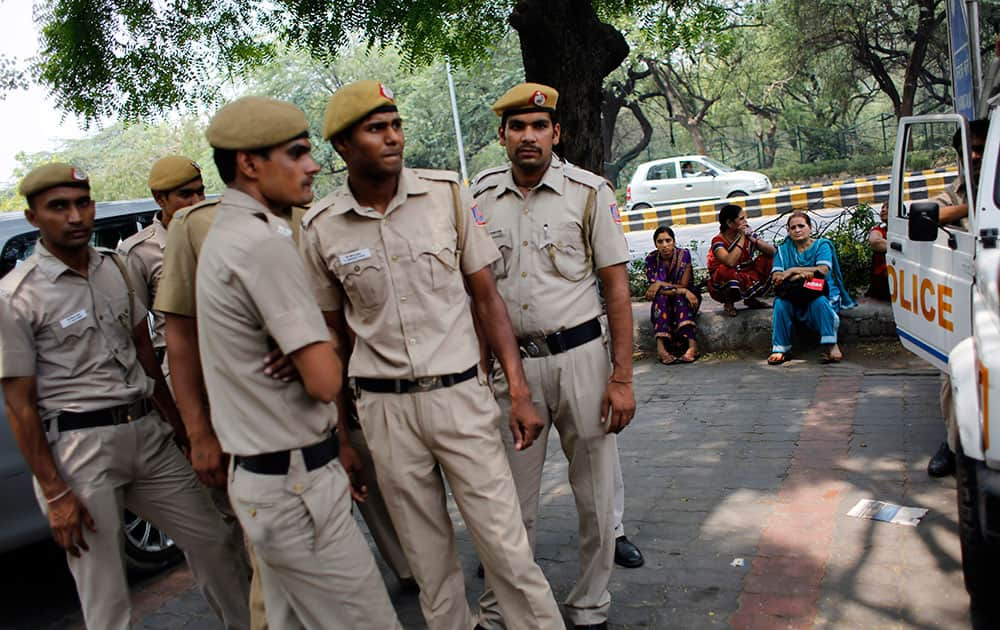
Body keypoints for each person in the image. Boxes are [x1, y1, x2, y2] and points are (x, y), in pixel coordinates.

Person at [299, 80, 562, 630]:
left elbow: (487, 298)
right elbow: (332, 337)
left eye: (395, 125)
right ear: (344, 147)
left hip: (461, 398)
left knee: (508, 550)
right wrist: (341, 438)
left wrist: (517, 390)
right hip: (384, 412)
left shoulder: (446, 195)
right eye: (376, 129)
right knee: (431, 567)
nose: (393, 137)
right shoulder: (321, 227)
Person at [0, 163, 251, 630]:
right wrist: (55, 493)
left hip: (149, 435)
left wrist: (182, 432)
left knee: (214, 540)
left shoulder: (114, 267)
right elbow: (19, 404)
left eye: (82, 203)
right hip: (81, 451)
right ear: (34, 217)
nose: (75, 216)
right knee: (105, 589)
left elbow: (145, 355)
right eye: (59, 207)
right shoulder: (17, 296)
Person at [193, 96, 401, 628]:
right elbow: (325, 381)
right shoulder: (262, 244)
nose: (312, 166)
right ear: (249, 163)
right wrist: (321, 347)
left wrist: (305, 348)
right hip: (296, 486)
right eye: (297, 153)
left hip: (268, 480)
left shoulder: (228, 233)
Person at [473, 82, 636, 630]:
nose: (529, 136)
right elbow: (476, 296)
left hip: (582, 361)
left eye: (539, 126)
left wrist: (622, 377)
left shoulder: (590, 193)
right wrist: (481, 371)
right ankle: (506, 607)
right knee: (509, 503)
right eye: (517, 127)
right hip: (511, 370)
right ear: (502, 135)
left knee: (594, 496)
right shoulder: (478, 198)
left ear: (556, 133)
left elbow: (616, 290)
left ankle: (590, 604)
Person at [927, 118, 990, 478]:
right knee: (955, 369)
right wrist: (973, 207)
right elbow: (929, 215)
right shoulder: (955, 194)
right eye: (972, 149)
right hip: (968, 298)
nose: (977, 155)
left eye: (983, 147)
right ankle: (953, 444)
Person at [118, 156, 205, 358]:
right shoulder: (139, 252)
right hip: (179, 360)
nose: (197, 201)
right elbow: (134, 331)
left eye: (200, 192)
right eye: (186, 194)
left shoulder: (217, 234)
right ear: (159, 198)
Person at [767, 211, 856, 365]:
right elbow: (777, 277)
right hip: (793, 293)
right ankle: (780, 349)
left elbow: (822, 270)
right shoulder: (783, 250)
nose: (797, 230)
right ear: (788, 231)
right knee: (781, 304)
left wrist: (790, 272)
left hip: (818, 290)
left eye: (801, 226)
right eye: (792, 227)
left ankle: (831, 345)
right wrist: (800, 273)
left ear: (810, 228)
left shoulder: (822, 245)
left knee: (819, 302)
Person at [706, 204, 775, 316]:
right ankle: (729, 303)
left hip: (745, 275)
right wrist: (742, 237)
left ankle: (751, 299)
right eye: (741, 219)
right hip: (724, 282)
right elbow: (730, 262)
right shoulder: (718, 241)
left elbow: (772, 252)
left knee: (769, 259)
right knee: (725, 270)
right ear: (729, 223)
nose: (745, 221)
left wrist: (754, 239)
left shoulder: (747, 234)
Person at [645, 225, 700, 364]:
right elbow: (654, 292)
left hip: (688, 298)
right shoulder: (651, 259)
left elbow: (684, 285)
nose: (665, 245)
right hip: (667, 297)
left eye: (668, 241)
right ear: (655, 244)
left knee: (679, 298)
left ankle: (692, 346)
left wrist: (660, 284)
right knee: (661, 298)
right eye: (660, 241)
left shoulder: (684, 255)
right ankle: (661, 348)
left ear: (674, 241)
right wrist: (663, 287)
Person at [866, 202, 890, 302]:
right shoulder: (878, 230)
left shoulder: (907, 229)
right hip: (884, 279)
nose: (883, 210)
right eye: (882, 208)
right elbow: (875, 242)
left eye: (887, 207)